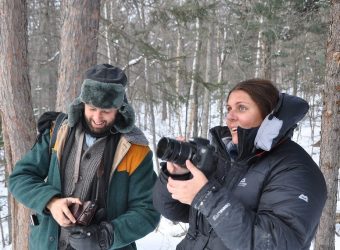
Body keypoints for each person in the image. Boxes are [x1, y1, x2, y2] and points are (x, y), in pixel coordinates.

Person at [153, 79, 327, 250]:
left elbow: (276, 244)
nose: (230, 116)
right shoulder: (226, 156)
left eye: (241, 108)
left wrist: (207, 198)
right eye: (228, 108)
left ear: (268, 115)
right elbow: (173, 211)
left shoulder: (296, 169)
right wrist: (178, 176)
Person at [9, 64, 160, 250]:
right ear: (82, 105)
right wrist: (51, 202)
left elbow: (148, 211)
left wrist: (106, 236)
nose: (97, 117)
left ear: (120, 109)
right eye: (92, 108)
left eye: (106, 111)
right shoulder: (57, 132)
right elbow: (20, 178)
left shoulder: (135, 150)